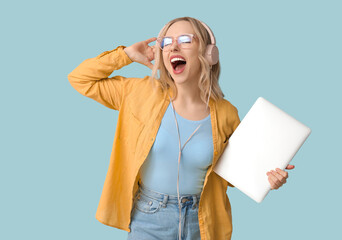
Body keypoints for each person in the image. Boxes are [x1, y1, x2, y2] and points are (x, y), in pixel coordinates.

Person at [68, 16, 295, 240]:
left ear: (208, 54)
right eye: (166, 42)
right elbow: (80, 79)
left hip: (203, 221)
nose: (173, 46)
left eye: (186, 39)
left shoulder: (227, 113)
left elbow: (234, 173)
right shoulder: (139, 93)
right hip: (149, 217)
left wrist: (269, 177)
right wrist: (126, 54)